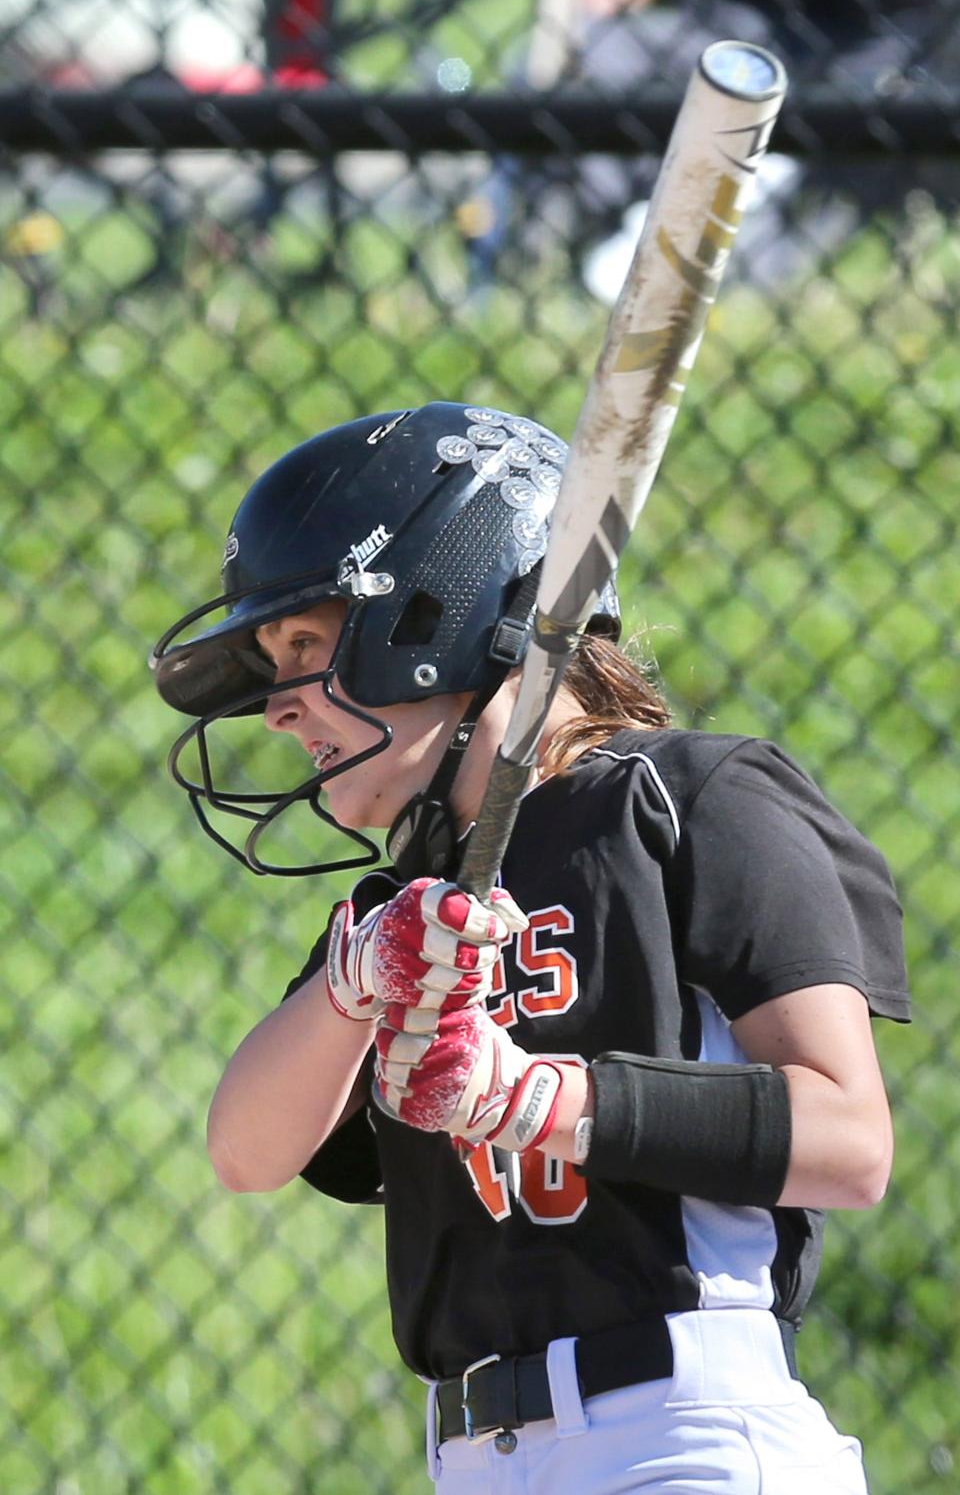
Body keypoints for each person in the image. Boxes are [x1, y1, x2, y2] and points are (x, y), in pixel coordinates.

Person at [151, 401, 910, 1494]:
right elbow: (245, 1151)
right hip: (473, 1458)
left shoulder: (693, 796)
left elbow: (851, 1138)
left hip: (682, 1431)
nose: (278, 709)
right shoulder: (409, 902)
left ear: (433, 612)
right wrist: (359, 981)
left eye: (307, 647)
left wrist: (532, 1098)